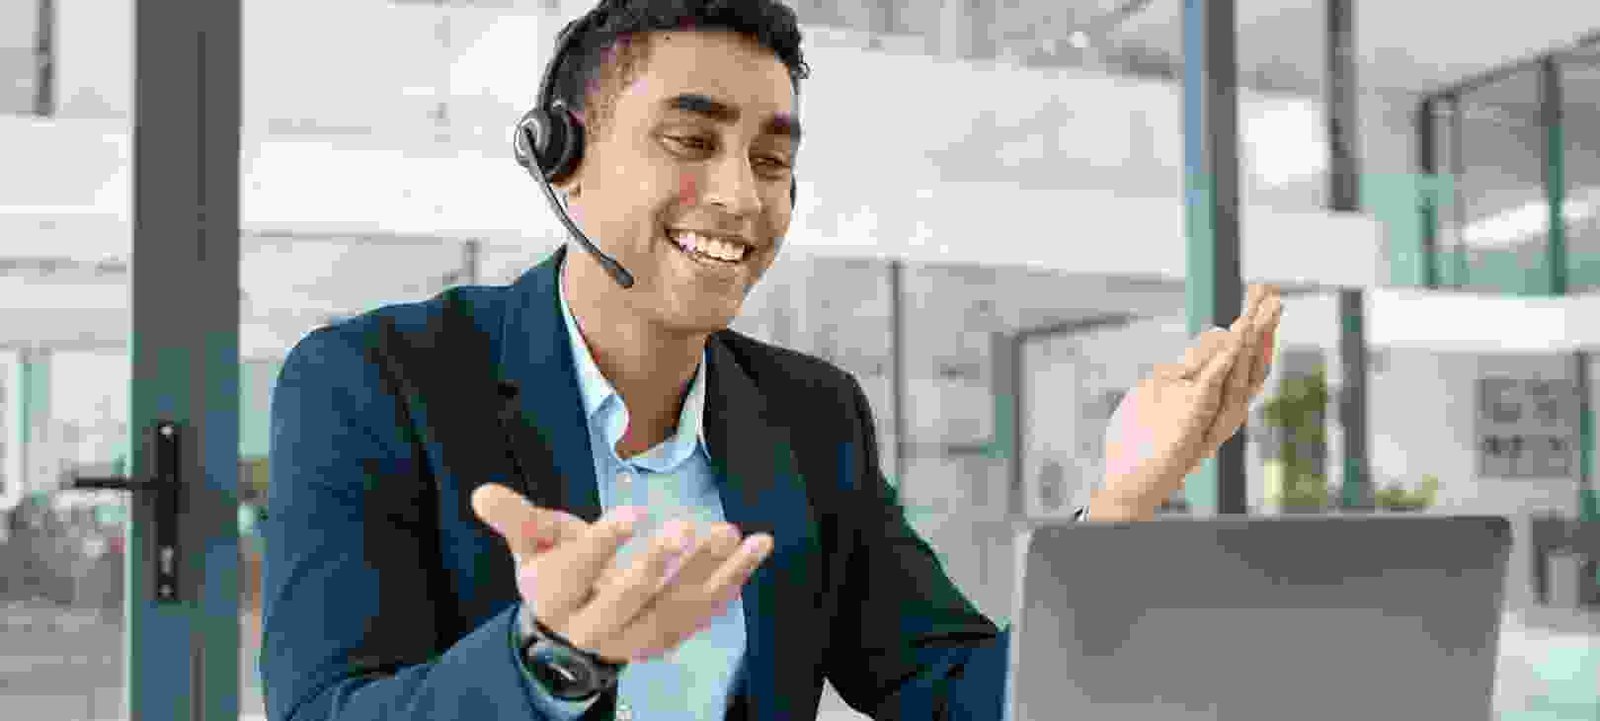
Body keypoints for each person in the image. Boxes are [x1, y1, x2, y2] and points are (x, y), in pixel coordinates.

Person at [259, 1, 1283, 719]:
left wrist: (1121, 501)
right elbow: (327, 709)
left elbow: (947, 686)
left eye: (774, 160)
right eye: (690, 142)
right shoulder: (373, 380)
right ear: (559, 160)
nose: (743, 197)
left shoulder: (809, 414)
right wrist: (551, 655)